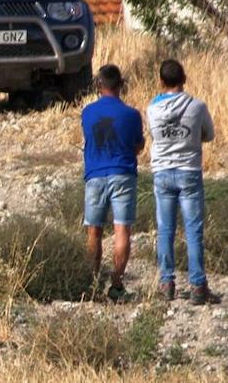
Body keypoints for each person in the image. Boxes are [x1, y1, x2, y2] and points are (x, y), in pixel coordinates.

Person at [148, 59, 219, 304]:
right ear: (184, 79)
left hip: (162, 173)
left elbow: (153, 135)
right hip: (189, 171)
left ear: (161, 81)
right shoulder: (197, 106)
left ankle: (167, 283)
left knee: (165, 229)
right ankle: (198, 285)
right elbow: (209, 135)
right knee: (193, 230)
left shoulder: (152, 108)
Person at [80, 64, 144, 302]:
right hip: (123, 173)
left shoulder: (87, 113)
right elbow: (137, 146)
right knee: (122, 230)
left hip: (95, 175)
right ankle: (116, 284)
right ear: (121, 85)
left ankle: (92, 282)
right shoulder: (132, 115)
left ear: (99, 85)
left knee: (94, 231)